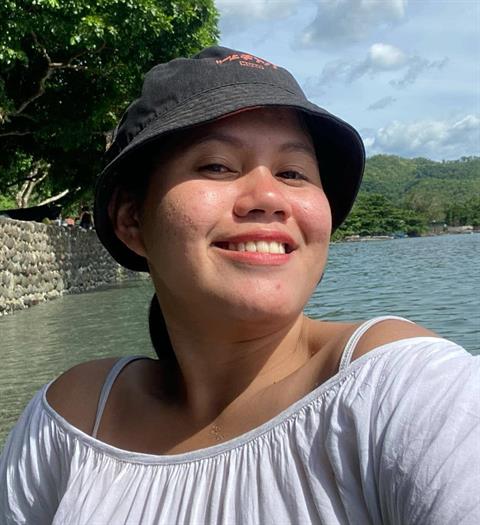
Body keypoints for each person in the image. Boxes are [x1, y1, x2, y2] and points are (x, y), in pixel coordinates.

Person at [1, 46, 479, 524]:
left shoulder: (409, 392)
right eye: (217, 165)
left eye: (293, 173)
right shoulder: (72, 420)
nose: (269, 196)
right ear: (132, 220)